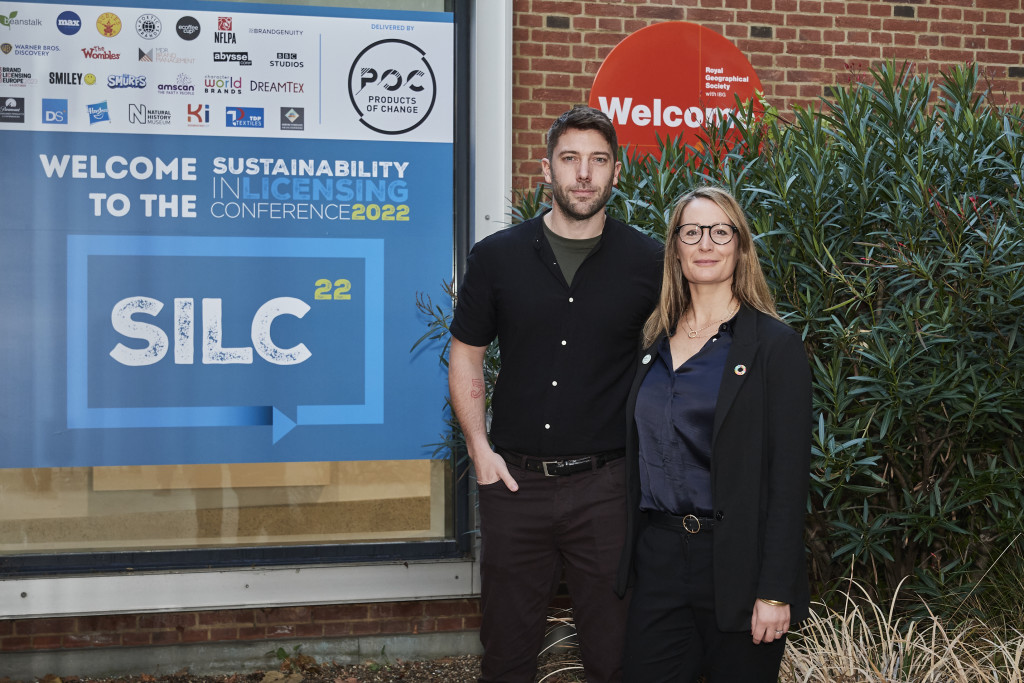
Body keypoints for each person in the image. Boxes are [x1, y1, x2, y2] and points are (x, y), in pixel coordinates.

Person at [448, 106, 663, 683]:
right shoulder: (496, 257)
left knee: (614, 656)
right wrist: (478, 448)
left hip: (607, 488)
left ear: (616, 172)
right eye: (570, 159)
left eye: (598, 161)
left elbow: (684, 353)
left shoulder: (649, 262)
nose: (584, 174)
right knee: (507, 655)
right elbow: (467, 352)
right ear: (546, 170)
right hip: (515, 484)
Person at [616, 186, 812, 682]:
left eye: (720, 231)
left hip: (738, 566)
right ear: (675, 248)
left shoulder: (774, 345)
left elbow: (789, 481)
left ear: (740, 246)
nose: (706, 243)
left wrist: (774, 591)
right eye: (692, 232)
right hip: (658, 558)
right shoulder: (652, 341)